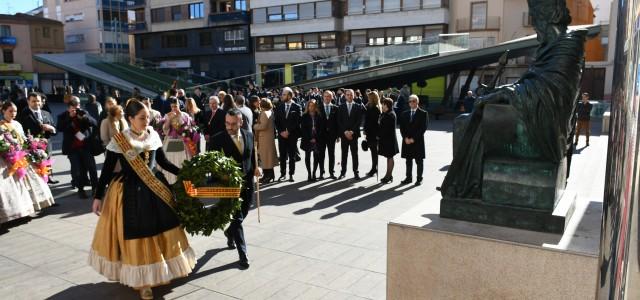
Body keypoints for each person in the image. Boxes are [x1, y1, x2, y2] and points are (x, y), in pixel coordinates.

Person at [89, 100, 195, 300]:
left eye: (148, 117)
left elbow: (162, 162)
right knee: (139, 234)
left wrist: (185, 173)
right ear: (130, 119)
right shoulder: (119, 140)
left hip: (155, 189)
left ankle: (162, 271)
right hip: (130, 193)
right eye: (142, 118)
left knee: (163, 228)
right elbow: (107, 171)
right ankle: (143, 282)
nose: (147, 121)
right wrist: (98, 196)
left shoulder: (153, 135)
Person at [208, 109, 260, 269]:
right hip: (229, 186)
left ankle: (229, 232)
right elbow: (212, 165)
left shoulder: (249, 135)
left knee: (244, 212)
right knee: (237, 218)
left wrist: (259, 169)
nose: (229, 127)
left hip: (248, 183)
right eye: (227, 123)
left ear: (241, 122)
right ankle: (243, 254)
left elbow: (252, 158)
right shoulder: (217, 140)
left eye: (233, 124)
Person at [0, 101, 55, 223]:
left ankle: (30, 208)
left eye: (15, 111)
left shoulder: (17, 124)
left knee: (30, 185)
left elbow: (23, 139)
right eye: (10, 111)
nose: (13, 114)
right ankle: (19, 211)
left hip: (23, 156)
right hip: (9, 160)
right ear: (3, 111)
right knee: (17, 187)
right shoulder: (1, 126)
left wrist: (33, 142)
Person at [58, 96, 99, 198]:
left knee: (92, 168)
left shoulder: (83, 113)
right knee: (77, 170)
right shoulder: (63, 116)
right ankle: (81, 190)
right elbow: (60, 128)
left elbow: (94, 123)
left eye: (78, 105)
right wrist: (70, 119)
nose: (77, 107)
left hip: (85, 146)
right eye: (74, 105)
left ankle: (95, 188)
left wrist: (85, 117)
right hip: (72, 148)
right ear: (69, 107)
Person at [19, 92, 59, 184]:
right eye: (33, 101)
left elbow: (55, 129)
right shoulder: (23, 115)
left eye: (38, 101)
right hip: (33, 145)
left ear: (41, 102)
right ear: (28, 101)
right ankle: (38, 179)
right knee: (35, 163)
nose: (36, 103)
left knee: (48, 159)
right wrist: (32, 139)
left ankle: (49, 176)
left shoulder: (46, 113)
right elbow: (21, 131)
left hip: (47, 143)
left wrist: (51, 129)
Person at [161, 98, 195, 184]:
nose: (174, 108)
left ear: (179, 105)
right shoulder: (168, 115)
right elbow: (165, 130)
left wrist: (185, 130)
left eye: (175, 106)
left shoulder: (185, 115)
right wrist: (169, 120)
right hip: (171, 140)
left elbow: (189, 129)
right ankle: (171, 181)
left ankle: (182, 181)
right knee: (171, 161)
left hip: (182, 141)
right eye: (172, 107)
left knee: (182, 161)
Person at [399, 95, 428, 185]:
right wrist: (405, 138)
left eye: (413, 101)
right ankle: (408, 178)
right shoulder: (404, 113)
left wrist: (413, 139)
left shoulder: (423, 113)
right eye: (410, 101)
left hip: (417, 141)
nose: (411, 103)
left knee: (419, 161)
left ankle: (419, 179)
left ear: (417, 102)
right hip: (407, 141)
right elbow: (402, 128)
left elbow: (423, 128)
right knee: (408, 160)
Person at [274, 87, 302, 182]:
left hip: (292, 135)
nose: (282, 96)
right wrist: (281, 131)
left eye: (284, 94)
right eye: (282, 94)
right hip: (282, 136)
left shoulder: (297, 107)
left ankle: (291, 174)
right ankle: (282, 173)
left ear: (290, 96)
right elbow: (276, 121)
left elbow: (297, 121)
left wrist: (288, 131)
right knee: (282, 155)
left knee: (292, 155)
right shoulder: (279, 106)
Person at [337, 89, 365, 180]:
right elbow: (339, 121)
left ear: (353, 96)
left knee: (354, 154)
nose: (349, 96)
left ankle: (356, 172)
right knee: (344, 154)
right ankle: (343, 172)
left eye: (351, 95)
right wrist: (345, 132)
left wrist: (352, 131)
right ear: (345, 96)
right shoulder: (340, 107)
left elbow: (359, 121)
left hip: (354, 134)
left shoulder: (358, 106)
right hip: (344, 134)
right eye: (347, 95)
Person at [253, 98, 278, 184]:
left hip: (264, 138)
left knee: (265, 158)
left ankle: (268, 176)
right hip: (267, 138)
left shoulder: (264, 113)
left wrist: (255, 126)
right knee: (267, 158)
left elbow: (263, 126)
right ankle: (269, 175)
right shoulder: (269, 112)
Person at [300, 100, 324, 182]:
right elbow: (303, 129)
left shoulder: (319, 116)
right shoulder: (304, 116)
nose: (311, 107)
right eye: (310, 106)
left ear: (315, 106)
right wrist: (310, 138)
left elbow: (321, 128)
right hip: (307, 139)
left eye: (313, 106)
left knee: (316, 157)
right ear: (307, 106)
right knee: (307, 157)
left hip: (317, 139)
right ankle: (309, 174)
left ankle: (314, 173)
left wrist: (315, 138)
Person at [378, 98, 399, 184]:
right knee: (388, 157)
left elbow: (386, 129)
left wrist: (378, 136)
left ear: (386, 105)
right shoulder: (385, 113)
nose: (382, 105)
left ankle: (388, 176)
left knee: (390, 157)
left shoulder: (390, 114)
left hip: (389, 140)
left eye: (383, 104)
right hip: (386, 139)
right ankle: (388, 175)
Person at [318, 90, 339, 179]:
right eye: (325, 96)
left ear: (332, 97)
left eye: (329, 96)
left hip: (332, 135)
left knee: (331, 154)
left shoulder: (335, 108)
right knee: (321, 154)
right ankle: (321, 173)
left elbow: (338, 123)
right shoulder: (318, 107)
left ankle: (331, 172)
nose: (327, 98)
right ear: (323, 97)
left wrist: (338, 136)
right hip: (321, 135)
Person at [364, 91, 382, 177]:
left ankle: (374, 169)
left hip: (373, 133)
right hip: (370, 133)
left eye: (369, 97)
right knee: (373, 151)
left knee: (374, 152)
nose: (368, 99)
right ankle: (374, 168)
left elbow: (374, 122)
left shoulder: (375, 108)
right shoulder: (370, 106)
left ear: (372, 98)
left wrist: (367, 130)